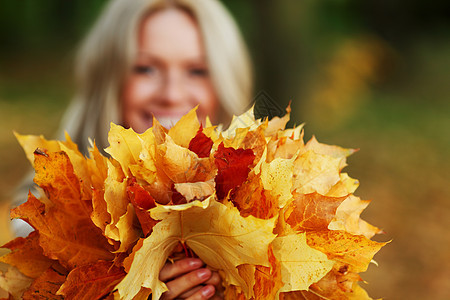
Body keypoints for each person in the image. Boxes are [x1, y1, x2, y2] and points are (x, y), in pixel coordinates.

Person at [12, 0, 253, 299]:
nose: (172, 93)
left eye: (197, 70)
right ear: (107, 82)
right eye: (145, 68)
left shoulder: (271, 228)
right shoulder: (42, 236)